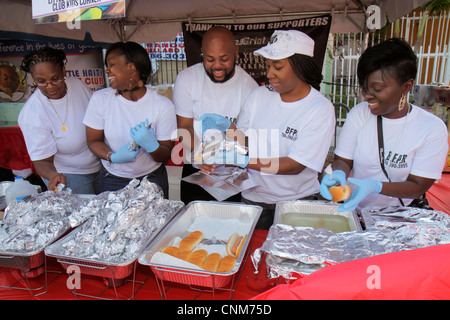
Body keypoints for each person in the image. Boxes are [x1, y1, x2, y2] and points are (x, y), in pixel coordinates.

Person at [201, 30, 336, 229]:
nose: (269, 73)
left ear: (300, 67)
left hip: (296, 203)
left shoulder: (319, 108)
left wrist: (244, 161)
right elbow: (245, 142)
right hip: (253, 200)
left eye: (278, 66)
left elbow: (296, 165)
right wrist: (227, 131)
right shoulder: (258, 96)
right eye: (268, 65)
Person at [319, 38, 448, 212]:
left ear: (406, 86)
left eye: (377, 89)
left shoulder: (431, 128)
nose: (367, 96)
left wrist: (376, 186)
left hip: (399, 217)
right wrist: (338, 174)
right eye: (364, 88)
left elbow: (418, 186)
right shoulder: (359, 113)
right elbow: (343, 160)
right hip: (355, 210)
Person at [173, 26, 259, 204]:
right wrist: (200, 153)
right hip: (196, 166)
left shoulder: (250, 88)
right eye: (210, 59)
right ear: (202, 53)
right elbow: (184, 126)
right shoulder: (187, 79)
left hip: (232, 170)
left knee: (231, 227)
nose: (217, 66)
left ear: (235, 52)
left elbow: (247, 140)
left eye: (224, 59)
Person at [83, 41, 176, 197]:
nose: (107, 70)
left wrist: (153, 146)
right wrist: (112, 157)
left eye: (111, 65)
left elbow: (165, 153)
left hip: (152, 178)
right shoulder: (100, 99)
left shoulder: (163, 105)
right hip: (112, 179)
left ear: (131, 67)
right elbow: (93, 141)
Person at [18, 47, 100, 194]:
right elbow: (42, 161)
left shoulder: (77, 85)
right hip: (70, 175)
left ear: (63, 71)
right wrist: (53, 175)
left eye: (55, 79)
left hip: (100, 166)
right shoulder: (33, 113)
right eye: (41, 82)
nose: (50, 86)